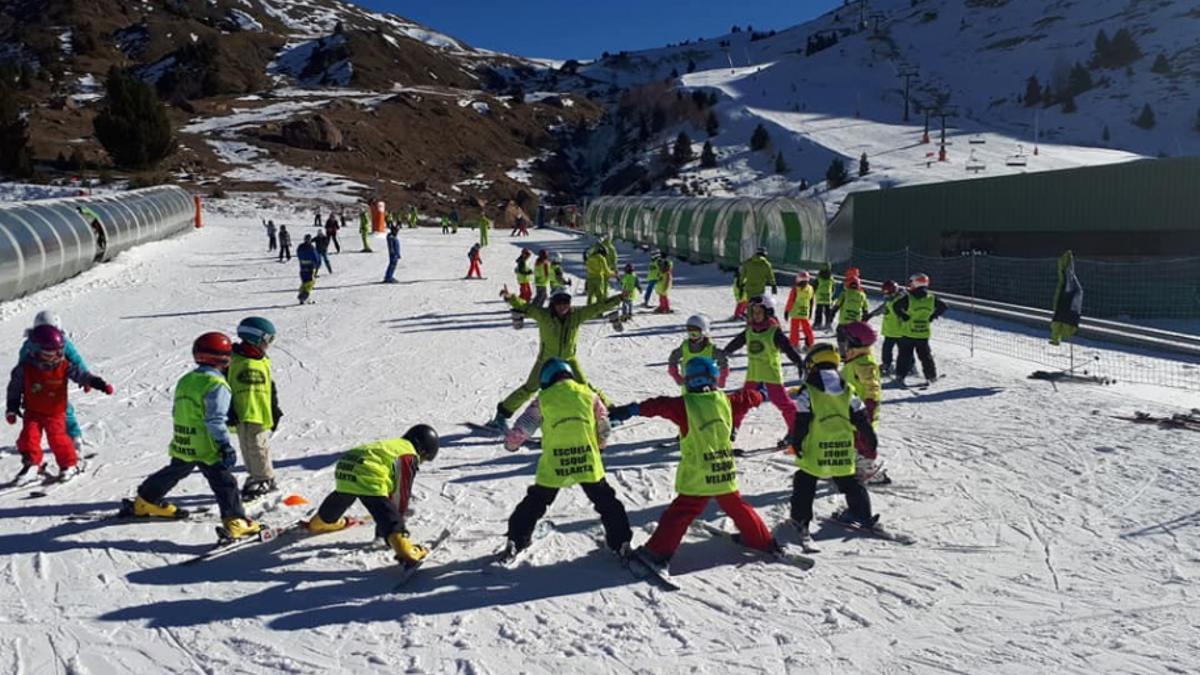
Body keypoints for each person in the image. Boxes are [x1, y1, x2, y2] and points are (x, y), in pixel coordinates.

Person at [607, 357, 774, 571]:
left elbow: (658, 405)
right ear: (713, 377)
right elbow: (747, 398)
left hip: (699, 473)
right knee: (736, 505)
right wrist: (762, 393)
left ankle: (656, 552)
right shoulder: (726, 400)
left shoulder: (684, 405)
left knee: (680, 512)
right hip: (723, 468)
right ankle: (761, 540)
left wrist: (630, 410)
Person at [126, 333, 262, 539]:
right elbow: (215, 419)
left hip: (184, 439)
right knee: (224, 482)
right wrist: (224, 445)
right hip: (205, 445)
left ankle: (146, 500)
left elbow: (177, 410)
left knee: (175, 470)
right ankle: (235, 520)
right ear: (224, 359)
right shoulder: (217, 385)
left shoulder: (187, 379)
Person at [499, 359, 632, 560]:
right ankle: (620, 541)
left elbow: (524, 427)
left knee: (536, 501)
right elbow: (604, 426)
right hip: (587, 459)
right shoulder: (590, 395)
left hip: (555, 463)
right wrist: (600, 446)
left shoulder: (543, 399)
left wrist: (511, 444)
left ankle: (517, 540)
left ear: (546, 379)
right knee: (606, 501)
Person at [487, 286, 624, 430]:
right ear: (553, 303)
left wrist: (619, 298)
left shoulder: (577, 315)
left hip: (569, 360)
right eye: (558, 302)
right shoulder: (543, 315)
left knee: (585, 387)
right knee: (530, 388)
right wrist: (510, 297)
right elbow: (525, 306)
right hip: (546, 361)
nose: (562, 306)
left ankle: (610, 414)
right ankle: (501, 417)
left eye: (566, 302)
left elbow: (598, 307)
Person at [306, 425, 440, 565]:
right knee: (381, 505)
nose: (421, 462)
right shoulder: (409, 454)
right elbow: (401, 493)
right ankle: (405, 551)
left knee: (343, 496)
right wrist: (390, 528)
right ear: (423, 450)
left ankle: (319, 523)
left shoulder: (394, 445)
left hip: (347, 463)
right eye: (424, 459)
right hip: (368, 470)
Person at [787, 343, 879, 536]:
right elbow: (861, 416)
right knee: (850, 481)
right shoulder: (847, 389)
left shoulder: (808, 390)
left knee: (805, 480)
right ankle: (862, 514)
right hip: (843, 446)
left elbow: (802, 420)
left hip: (817, 447)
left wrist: (797, 442)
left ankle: (800, 519)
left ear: (811, 364)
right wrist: (870, 437)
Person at [6, 325, 112, 482]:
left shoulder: (63, 366)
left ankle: (68, 464)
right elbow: (14, 388)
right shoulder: (24, 369)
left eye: (57, 351)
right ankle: (32, 464)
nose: (53, 356)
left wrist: (98, 383)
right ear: (35, 349)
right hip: (33, 412)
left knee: (58, 439)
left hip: (55, 412)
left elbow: (81, 375)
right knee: (28, 438)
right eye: (48, 352)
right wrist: (12, 408)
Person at [721, 295, 804, 443]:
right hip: (754, 373)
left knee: (783, 402)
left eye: (759, 312)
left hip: (771, 374)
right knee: (742, 401)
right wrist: (723, 354)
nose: (756, 315)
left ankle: (795, 431)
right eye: (753, 312)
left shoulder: (774, 332)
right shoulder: (750, 331)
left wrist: (798, 362)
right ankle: (733, 426)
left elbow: (788, 348)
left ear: (768, 312)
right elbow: (736, 343)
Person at [226, 317, 284, 501]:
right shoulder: (232, 360)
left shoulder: (262, 360)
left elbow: (269, 385)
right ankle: (259, 476)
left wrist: (274, 407)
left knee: (258, 446)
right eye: (269, 339)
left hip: (260, 410)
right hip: (242, 411)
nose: (269, 345)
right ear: (255, 338)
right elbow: (223, 385)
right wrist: (228, 409)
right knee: (249, 446)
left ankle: (263, 477)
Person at [16, 312, 88, 455]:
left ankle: (74, 435)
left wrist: (85, 377)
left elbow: (75, 359)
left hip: (56, 383)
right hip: (36, 386)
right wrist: (22, 386)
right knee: (34, 417)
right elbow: (22, 366)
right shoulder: (29, 345)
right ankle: (31, 446)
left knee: (64, 410)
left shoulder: (63, 343)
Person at [840, 322, 886, 484]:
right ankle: (852, 465)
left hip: (864, 409)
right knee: (851, 438)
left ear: (855, 341)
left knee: (863, 440)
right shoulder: (855, 359)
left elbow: (872, 386)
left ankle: (868, 469)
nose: (844, 343)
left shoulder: (864, 363)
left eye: (847, 339)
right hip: (851, 408)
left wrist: (870, 405)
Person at [893, 273, 948, 386]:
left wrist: (904, 316)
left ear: (914, 283)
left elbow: (896, 306)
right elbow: (944, 306)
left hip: (908, 333)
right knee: (925, 356)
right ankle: (931, 376)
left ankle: (900, 376)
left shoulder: (909, 298)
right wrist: (933, 316)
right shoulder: (931, 298)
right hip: (923, 334)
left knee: (904, 356)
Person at [667, 314, 729, 390]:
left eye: (695, 333)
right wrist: (675, 374)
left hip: (708, 385)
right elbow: (673, 357)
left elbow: (723, 360)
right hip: (688, 384)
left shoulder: (710, 349)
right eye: (689, 333)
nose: (692, 336)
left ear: (704, 332)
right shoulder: (685, 347)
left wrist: (722, 378)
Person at [867, 280, 905, 375]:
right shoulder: (890, 300)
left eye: (888, 293)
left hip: (901, 332)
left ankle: (909, 366)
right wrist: (870, 315)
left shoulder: (902, 300)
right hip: (890, 331)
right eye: (885, 293)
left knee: (904, 351)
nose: (886, 295)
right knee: (886, 350)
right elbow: (883, 308)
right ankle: (887, 365)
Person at [833, 275, 868, 355]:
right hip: (855, 322)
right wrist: (864, 320)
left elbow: (837, 305)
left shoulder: (844, 293)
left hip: (844, 321)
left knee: (841, 335)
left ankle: (842, 353)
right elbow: (865, 309)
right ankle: (851, 353)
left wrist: (832, 313)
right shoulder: (862, 295)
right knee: (852, 338)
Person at [784, 271, 816, 348]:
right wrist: (810, 311)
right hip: (805, 312)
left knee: (795, 329)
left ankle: (794, 344)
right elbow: (811, 301)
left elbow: (790, 301)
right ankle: (810, 343)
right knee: (807, 329)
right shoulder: (810, 288)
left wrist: (787, 311)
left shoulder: (795, 289)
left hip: (795, 313)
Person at [296, 234, 320, 304]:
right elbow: (316, 256)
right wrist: (317, 264)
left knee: (304, 282)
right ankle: (303, 296)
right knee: (310, 282)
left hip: (302, 267)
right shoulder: (311, 247)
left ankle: (303, 297)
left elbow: (298, 254)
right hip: (310, 267)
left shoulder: (300, 247)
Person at [813, 264, 835, 329]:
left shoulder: (819, 277)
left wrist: (813, 292)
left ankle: (818, 323)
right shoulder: (831, 277)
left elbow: (814, 285)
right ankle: (828, 323)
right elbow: (833, 287)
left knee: (819, 310)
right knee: (827, 311)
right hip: (828, 296)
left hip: (820, 296)